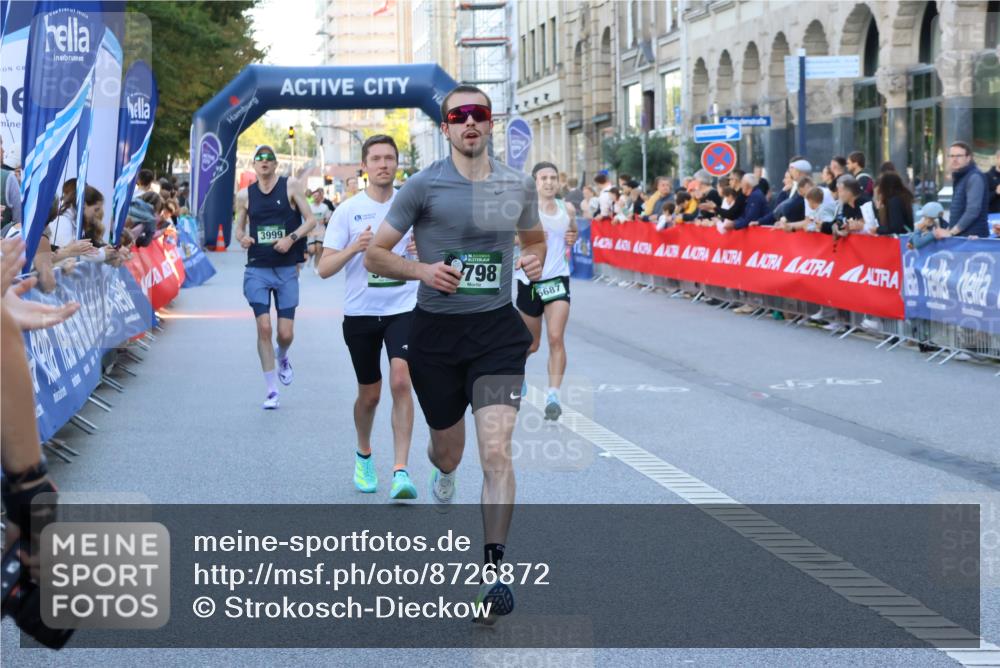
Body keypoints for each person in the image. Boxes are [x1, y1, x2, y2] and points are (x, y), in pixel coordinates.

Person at [364, 84, 545, 625]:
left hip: (496, 334)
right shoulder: (423, 186)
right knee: (449, 454)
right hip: (437, 337)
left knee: (497, 451)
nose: (470, 122)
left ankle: (493, 572)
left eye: (478, 114)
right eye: (459, 116)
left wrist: (534, 260)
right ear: (445, 128)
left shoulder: (515, 185)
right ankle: (443, 472)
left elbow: (534, 240)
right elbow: (375, 254)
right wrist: (422, 270)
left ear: (490, 123)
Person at [319, 135, 419, 500]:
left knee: (401, 380)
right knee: (370, 395)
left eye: (389, 158)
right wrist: (353, 248)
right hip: (361, 312)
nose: (383, 164)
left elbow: (435, 252)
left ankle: (400, 471)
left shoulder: (411, 207)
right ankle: (364, 453)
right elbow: (323, 269)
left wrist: (421, 249)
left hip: (403, 307)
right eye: (375, 158)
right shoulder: (348, 211)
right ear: (364, 166)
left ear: (397, 164)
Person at [233, 144, 317, 409]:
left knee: (285, 333)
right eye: (259, 158)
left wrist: (291, 238)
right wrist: (243, 238)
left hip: (286, 268)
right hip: (257, 268)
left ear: (275, 164)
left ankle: (284, 355)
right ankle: (271, 391)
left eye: (269, 158)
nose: (264, 161)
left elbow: (311, 220)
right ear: (254, 165)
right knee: (264, 327)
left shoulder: (290, 186)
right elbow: (238, 229)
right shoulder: (244, 195)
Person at [516, 162, 577, 421]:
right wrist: (528, 238)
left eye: (553, 177)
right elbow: (510, 239)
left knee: (555, 337)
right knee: (531, 344)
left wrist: (572, 237)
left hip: (557, 279)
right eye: (544, 178)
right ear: (534, 182)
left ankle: (553, 396)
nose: (549, 182)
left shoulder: (567, 208)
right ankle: (517, 373)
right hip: (530, 281)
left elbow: (572, 230)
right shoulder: (524, 210)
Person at [935, 141, 990, 239]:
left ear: (968, 158)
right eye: (951, 156)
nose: (954, 159)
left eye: (959, 156)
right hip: (963, 238)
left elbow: (973, 211)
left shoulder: (974, 177)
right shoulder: (961, 177)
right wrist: (948, 229)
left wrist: (951, 232)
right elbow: (959, 210)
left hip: (973, 239)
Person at [874, 170, 914, 235]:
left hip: (900, 238)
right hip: (906, 236)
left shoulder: (894, 201)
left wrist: (878, 230)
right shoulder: (903, 197)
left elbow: (896, 226)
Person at [307, 187, 332, 273]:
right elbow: (305, 218)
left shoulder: (324, 207)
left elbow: (328, 218)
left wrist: (324, 220)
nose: (316, 197)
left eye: (317, 196)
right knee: (312, 249)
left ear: (320, 197)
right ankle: (310, 255)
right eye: (314, 196)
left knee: (319, 248)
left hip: (321, 230)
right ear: (312, 197)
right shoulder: (309, 207)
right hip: (311, 231)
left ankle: (316, 266)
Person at [986, 149, 1000, 214]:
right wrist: (996, 192)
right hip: (993, 216)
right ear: (997, 158)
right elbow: (982, 199)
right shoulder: (987, 176)